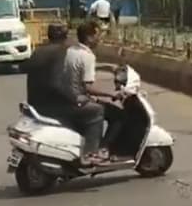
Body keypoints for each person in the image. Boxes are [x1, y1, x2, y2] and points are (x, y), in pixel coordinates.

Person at [26, 24, 104, 161]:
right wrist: (75, 98)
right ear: (65, 36)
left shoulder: (38, 51)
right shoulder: (60, 52)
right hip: (52, 105)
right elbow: (55, 84)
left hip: (35, 102)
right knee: (96, 111)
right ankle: (90, 154)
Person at [60, 21, 122, 160]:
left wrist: (107, 67)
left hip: (68, 98)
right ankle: (98, 150)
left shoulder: (71, 51)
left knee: (100, 105)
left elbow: (79, 71)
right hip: (78, 101)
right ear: (89, 37)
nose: (99, 39)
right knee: (117, 115)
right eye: (97, 35)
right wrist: (112, 94)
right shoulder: (88, 56)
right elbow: (88, 87)